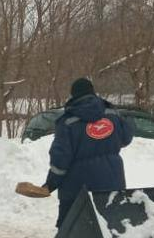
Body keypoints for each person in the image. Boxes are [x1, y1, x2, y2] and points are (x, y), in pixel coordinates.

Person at [44, 77, 134, 227]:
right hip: (112, 185)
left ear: (73, 96)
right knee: (110, 230)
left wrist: (50, 185)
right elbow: (126, 138)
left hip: (76, 190)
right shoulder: (113, 114)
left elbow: (60, 161)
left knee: (71, 232)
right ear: (93, 92)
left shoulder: (67, 121)